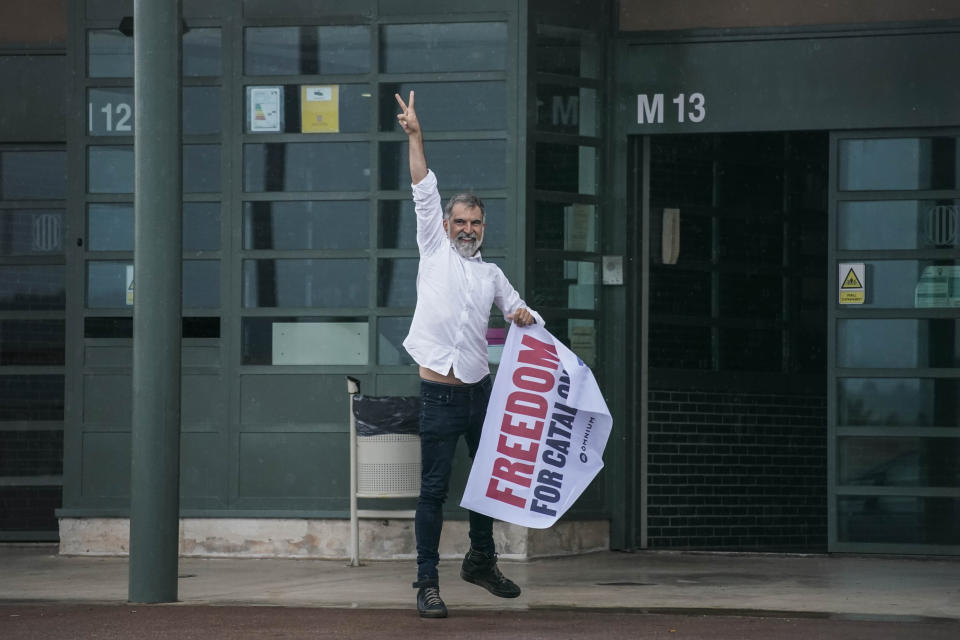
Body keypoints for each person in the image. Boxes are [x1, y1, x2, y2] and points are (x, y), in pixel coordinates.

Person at [395, 91, 542, 619]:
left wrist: (524, 316)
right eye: (460, 221)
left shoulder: (490, 274)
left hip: (479, 392)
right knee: (433, 491)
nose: (467, 229)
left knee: (484, 486)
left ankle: (481, 561)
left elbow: (520, 310)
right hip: (439, 393)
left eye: (475, 223)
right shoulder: (432, 248)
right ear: (447, 224)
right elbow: (423, 188)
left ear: (483, 227)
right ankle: (427, 583)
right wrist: (416, 134)